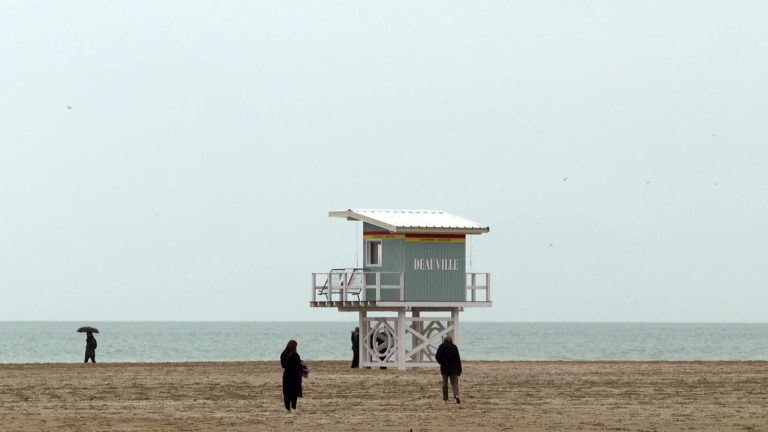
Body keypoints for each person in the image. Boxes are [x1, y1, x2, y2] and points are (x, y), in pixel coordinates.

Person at [435, 335, 462, 403]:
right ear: (451, 340)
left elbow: (437, 356)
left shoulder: (441, 346)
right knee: (454, 383)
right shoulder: (454, 347)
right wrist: (459, 369)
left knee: (445, 383)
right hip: (454, 368)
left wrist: (441, 362)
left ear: (444, 340)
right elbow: (458, 359)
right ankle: (456, 396)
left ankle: (445, 399)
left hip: (445, 368)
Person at [280, 340, 303, 413]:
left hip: (286, 375)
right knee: (294, 392)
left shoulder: (283, 353)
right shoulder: (295, 355)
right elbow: (299, 366)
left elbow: (283, 365)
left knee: (287, 392)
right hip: (295, 375)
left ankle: (287, 409)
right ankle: (293, 407)